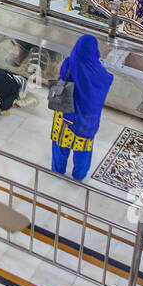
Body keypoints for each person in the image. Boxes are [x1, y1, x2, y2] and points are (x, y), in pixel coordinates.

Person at [49, 35, 112, 182]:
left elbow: (63, 76)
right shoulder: (99, 71)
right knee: (83, 148)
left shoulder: (70, 63)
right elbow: (107, 80)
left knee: (60, 143)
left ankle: (58, 169)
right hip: (87, 118)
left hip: (66, 113)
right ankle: (79, 175)